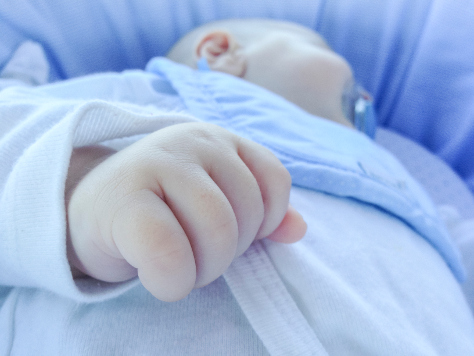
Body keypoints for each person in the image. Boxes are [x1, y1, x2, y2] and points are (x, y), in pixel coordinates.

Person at [1, 19, 473, 355]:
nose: (368, 98)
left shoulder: (409, 177)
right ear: (221, 53)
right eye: (334, 57)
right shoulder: (145, 95)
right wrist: (84, 189)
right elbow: (14, 137)